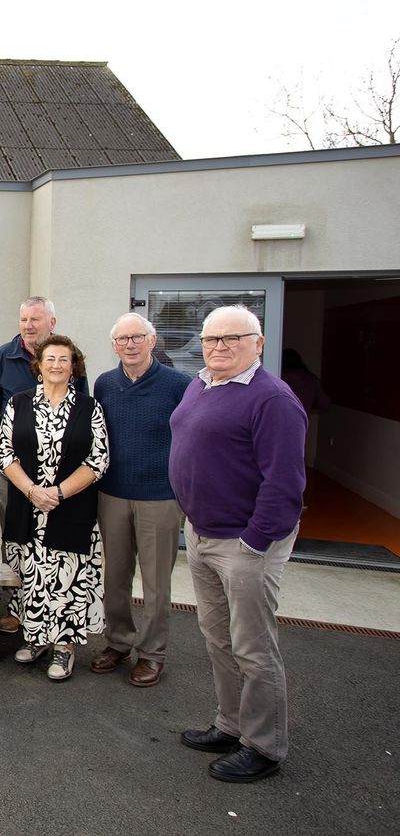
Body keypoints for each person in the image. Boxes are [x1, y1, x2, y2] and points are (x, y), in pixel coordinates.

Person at [171, 306, 307, 783]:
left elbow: (285, 484)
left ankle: (264, 745)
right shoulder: (200, 384)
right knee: (218, 639)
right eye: (211, 339)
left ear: (259, 342)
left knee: (253, 647)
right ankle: (230, 724)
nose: (219, 347)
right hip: (202, 534)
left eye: (232, 338)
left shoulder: (274, 400)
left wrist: (254, 542)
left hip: (245, 543)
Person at [0, 334, 108, 682]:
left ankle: (64, 647)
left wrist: (57, 493)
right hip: (27, 504)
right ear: (38, 365)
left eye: (64, 359)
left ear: (73, 366)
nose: (56, 365)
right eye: (50, 359)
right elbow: (5, 455)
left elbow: (98, 459)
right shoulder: (19, 403)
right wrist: (32, 491)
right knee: (31, 573)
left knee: (68, 578)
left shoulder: (90, 407)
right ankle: (36, 638)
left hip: (70, 506)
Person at [91, 314, 191, 687]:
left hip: (160, 499)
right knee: (115, 576)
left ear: (153, 341)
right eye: (122, 339)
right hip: (112, 493)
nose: (129, 345)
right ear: (114, 345)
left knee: (155, 583)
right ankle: (118, 642)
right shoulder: (105, 384)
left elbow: (191, 441)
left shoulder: (178, 386)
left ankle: (151, 653)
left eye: (137, 337)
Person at [0, 296, 89, 635]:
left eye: (36, 320)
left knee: (55, 541)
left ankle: (53, 608)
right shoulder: (2, 357)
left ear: (52, 323)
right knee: (17, 535)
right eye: (24, 319)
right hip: (14, 469)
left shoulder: (66, 357)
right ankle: (16, 606)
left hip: (61, 472)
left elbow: (83, 412)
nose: (29, 326)